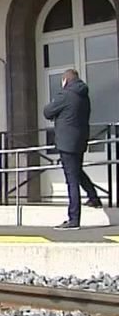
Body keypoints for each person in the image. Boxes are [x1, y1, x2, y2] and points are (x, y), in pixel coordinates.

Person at [43, 69, 102, 230]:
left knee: (72, 180)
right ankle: (94, 197)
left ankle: (73, 219)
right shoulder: (84, 96)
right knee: (77, 172)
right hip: (80, 140)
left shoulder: (65, 95)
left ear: (65, 80)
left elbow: (47, 112)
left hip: (66, 143)